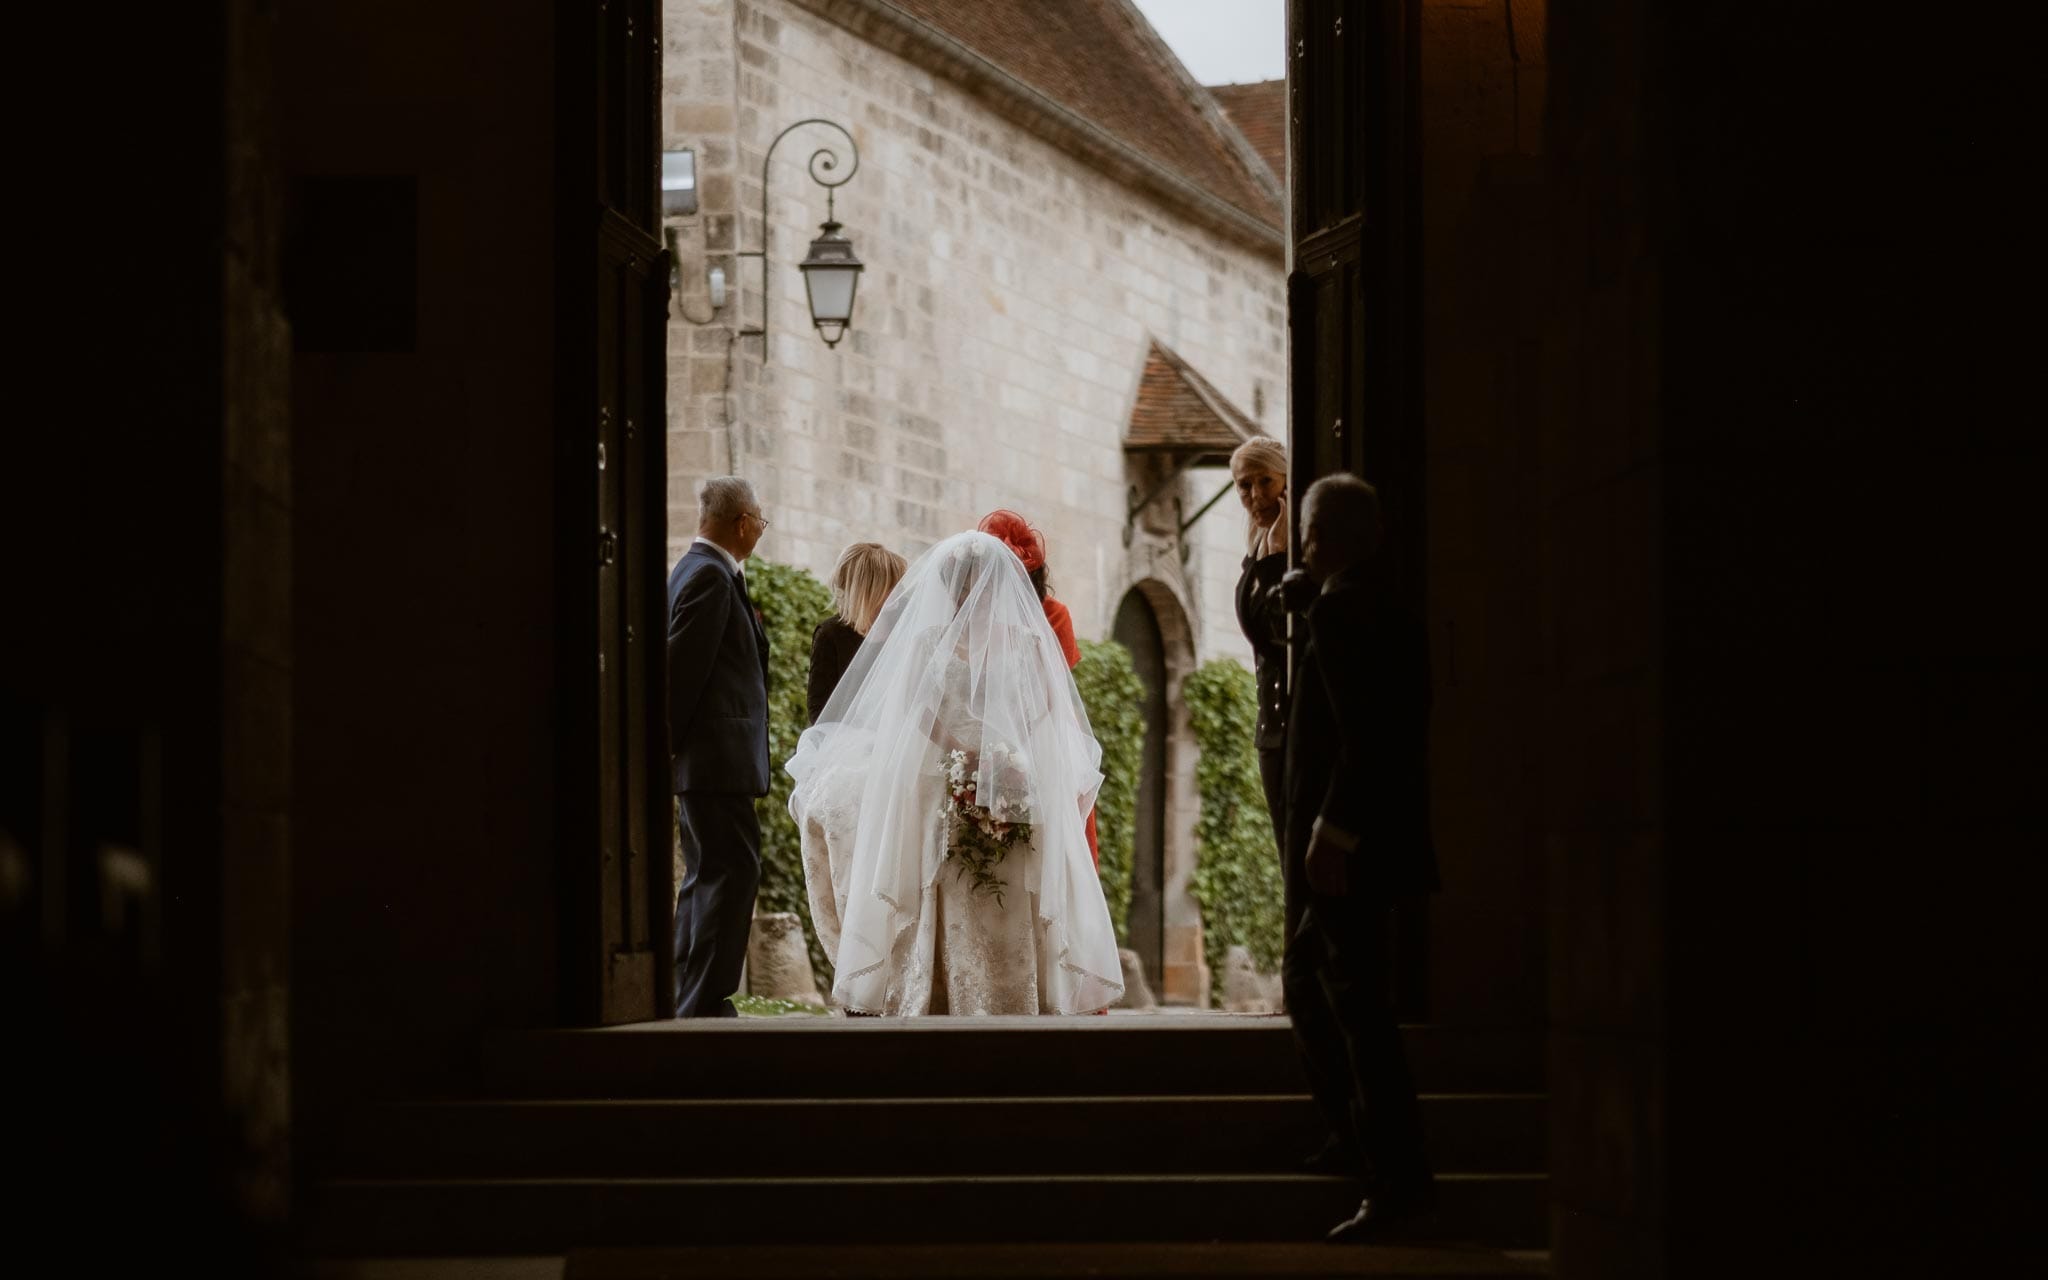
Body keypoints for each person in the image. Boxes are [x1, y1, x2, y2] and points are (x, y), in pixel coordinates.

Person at [786, 531, 1123, 1016]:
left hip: (1008, 766)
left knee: (1017, 869)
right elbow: (915, 709)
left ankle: (1016, 986)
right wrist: (959, 748)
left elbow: (1049, 700)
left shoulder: (1026, 639)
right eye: (962, 587)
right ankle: (946, 984)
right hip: (945, 767)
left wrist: (1009, 750)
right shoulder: (926, 639)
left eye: (976, 587)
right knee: (939, 866)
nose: (970, 595)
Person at [1278, 474, 1441, 1239]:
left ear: (1321, 535)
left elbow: (1365, 733)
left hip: (1345, 847)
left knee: (1356, 1011)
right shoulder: (1382, 603)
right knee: (1314, 980)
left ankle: (1396, 1184)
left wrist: (1330, 832)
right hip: (1383, 839)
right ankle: (1356, 1141)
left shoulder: (1344, 610)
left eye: (1309, 531)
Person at [666, 476, 772, 1018]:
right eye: (761, 520)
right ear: (742, 522)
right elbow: (680, 674)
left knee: (711, 877)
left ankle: (689, 996)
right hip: (716, 764)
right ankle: (702, 1003)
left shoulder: (701, 570)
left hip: (713, 764)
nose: (761, 529)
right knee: (729, 876)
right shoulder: (708, 576)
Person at [976, 509, 1097, 866]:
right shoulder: (975, 615)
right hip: (984, 732)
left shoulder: (1053, 614)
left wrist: (1006, 745)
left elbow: (1051, 690)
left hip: (1039, 733)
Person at [1230, 438, 1292, 882]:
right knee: (1287, 856)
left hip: (1297, 718)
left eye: (1265, 481)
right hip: (1270, 722)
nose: (1255, 496)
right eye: (1244, 485)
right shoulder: (1257, 548)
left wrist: (1275, 556)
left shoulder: (1292, 550)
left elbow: (1280, 631)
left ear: (1287, 481)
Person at [807, 542, 906, 726]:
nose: (900, 591)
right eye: (892, 584)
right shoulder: (831, 634)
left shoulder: (905, 624)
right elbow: (820, 710)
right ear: (870, 588)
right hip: (848, 743)